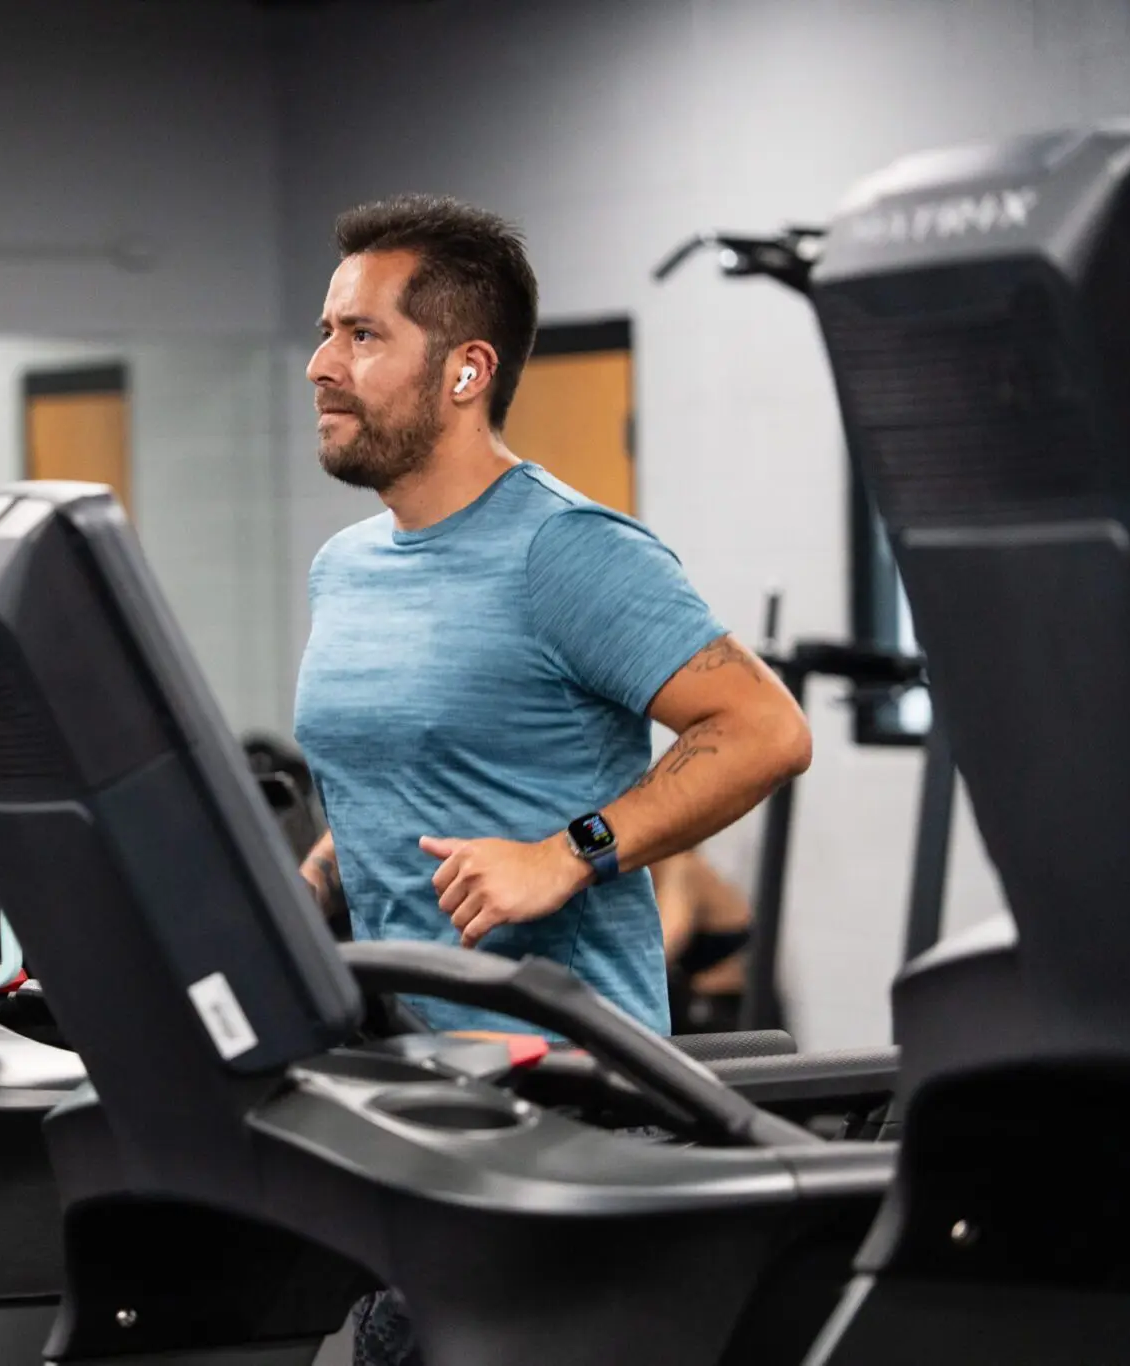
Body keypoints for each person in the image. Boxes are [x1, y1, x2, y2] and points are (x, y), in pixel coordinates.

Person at [287, 197, 811, 1364]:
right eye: (325, 332)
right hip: (410, 1093)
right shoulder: (345, 566)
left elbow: (762, 727)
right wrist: (304, 882)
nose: (322, 365)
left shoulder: (564, 551)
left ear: (466, 369)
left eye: (361, 336)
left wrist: (567, 848)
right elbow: (384, 777)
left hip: (564, 1107)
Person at [653, 848, 752, 1033]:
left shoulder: (682, 868)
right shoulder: (658, 876)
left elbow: (662, 949)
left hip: (726, 1013)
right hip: (705, 1007)